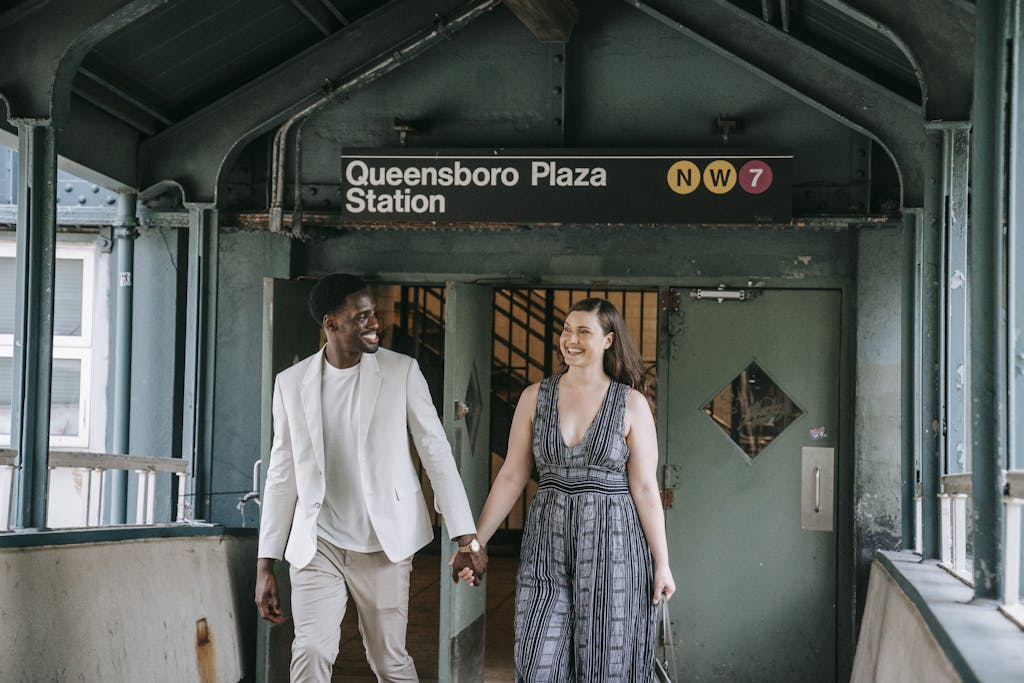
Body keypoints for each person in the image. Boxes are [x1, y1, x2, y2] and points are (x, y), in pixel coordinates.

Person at [255, 273, 487, 683]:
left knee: (388, 661)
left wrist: (465, 537)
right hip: (318, 544)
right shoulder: (291, 384)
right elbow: (281, 472)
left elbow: (437, 454)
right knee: (309, 651)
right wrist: (266, 561)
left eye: (374, 314)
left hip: (384, 544)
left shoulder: (401, 372)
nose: (375, 323)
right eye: (362, 317)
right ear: (331, 324)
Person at [456, 297, 675, 681]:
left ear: (608, 340)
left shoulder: (632, 404)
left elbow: (643, 488)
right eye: (566, 329)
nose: (570, 339)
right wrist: (475, 544)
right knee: (538, 660)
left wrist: (662, 563)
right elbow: (511, 474)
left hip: (615, 549)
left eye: (583, 331)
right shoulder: (534, 397)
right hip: (546, 545)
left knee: (606, 666)